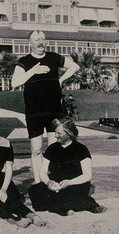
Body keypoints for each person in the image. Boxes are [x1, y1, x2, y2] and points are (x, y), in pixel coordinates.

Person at [12, 30, 79, 184]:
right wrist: (33, 70)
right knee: (36, 149)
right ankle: (37, 182)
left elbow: (74, 66)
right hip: (34, 112)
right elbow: (15, 82)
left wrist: (61, 80)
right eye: (36, 39)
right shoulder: (24, 61)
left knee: (54, 147)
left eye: (42, 39)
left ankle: (52, 179)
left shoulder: (54, 57)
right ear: (30, 43)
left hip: (53, 110)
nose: (40, 42)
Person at [28, 117, 106, 216]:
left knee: (65, 196)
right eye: (55, 132)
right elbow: (43, 172)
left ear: (69, 133)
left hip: (75, 185)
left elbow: (87, 175)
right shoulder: (52, 149)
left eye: (59, 133)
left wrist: (69, 182)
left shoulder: (81, 149)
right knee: (33, 190)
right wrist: (48, 182)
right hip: (56, 185)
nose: (55, 136)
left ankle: (67, 209)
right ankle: (74, 207)